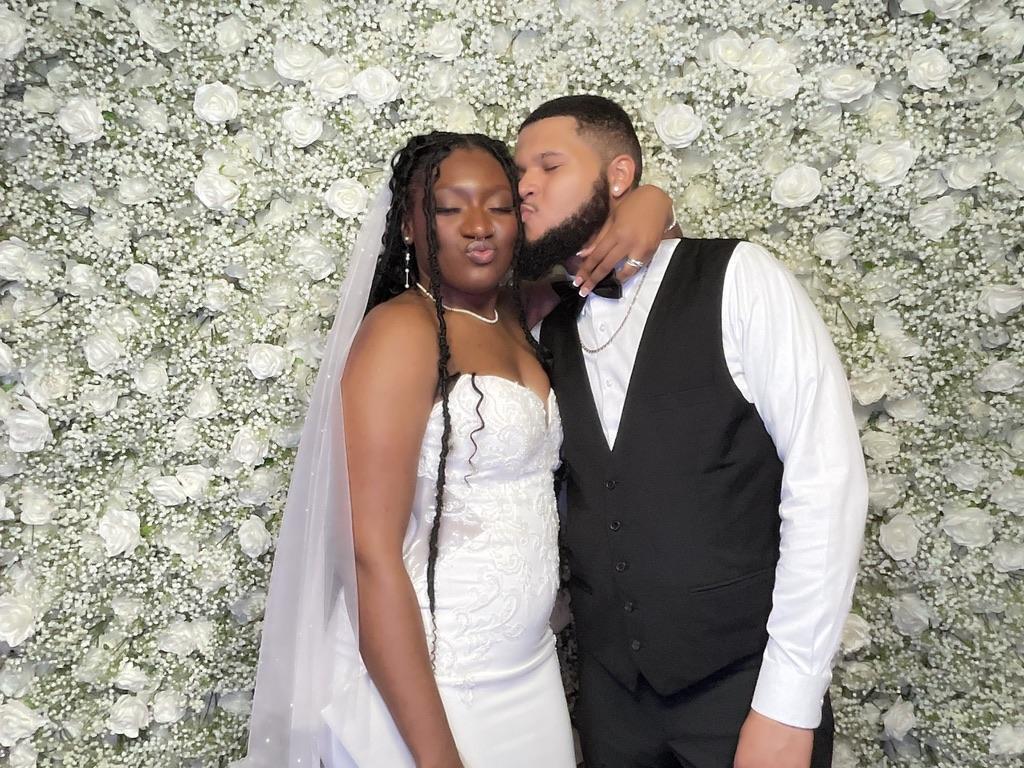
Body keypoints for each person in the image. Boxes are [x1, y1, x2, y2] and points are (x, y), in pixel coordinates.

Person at [239, 130, 673, 768]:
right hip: (428, 681)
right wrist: (437, 757)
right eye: (449, 208)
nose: (479, 225)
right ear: (409, 226)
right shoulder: (400, 333)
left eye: (499, 206)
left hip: (529, 673)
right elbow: (369, 556)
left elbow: (619, 262)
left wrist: (653, 202)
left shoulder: (521, 314)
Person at [516, 95, 868, 768]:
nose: (525, 185)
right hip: (612, 702)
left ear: (619, 175)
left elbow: (826, 485)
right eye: (519, 171)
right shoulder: (542, 324)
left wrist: (789, 702)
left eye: (549, 166)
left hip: (744, 690)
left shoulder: (740, 277)